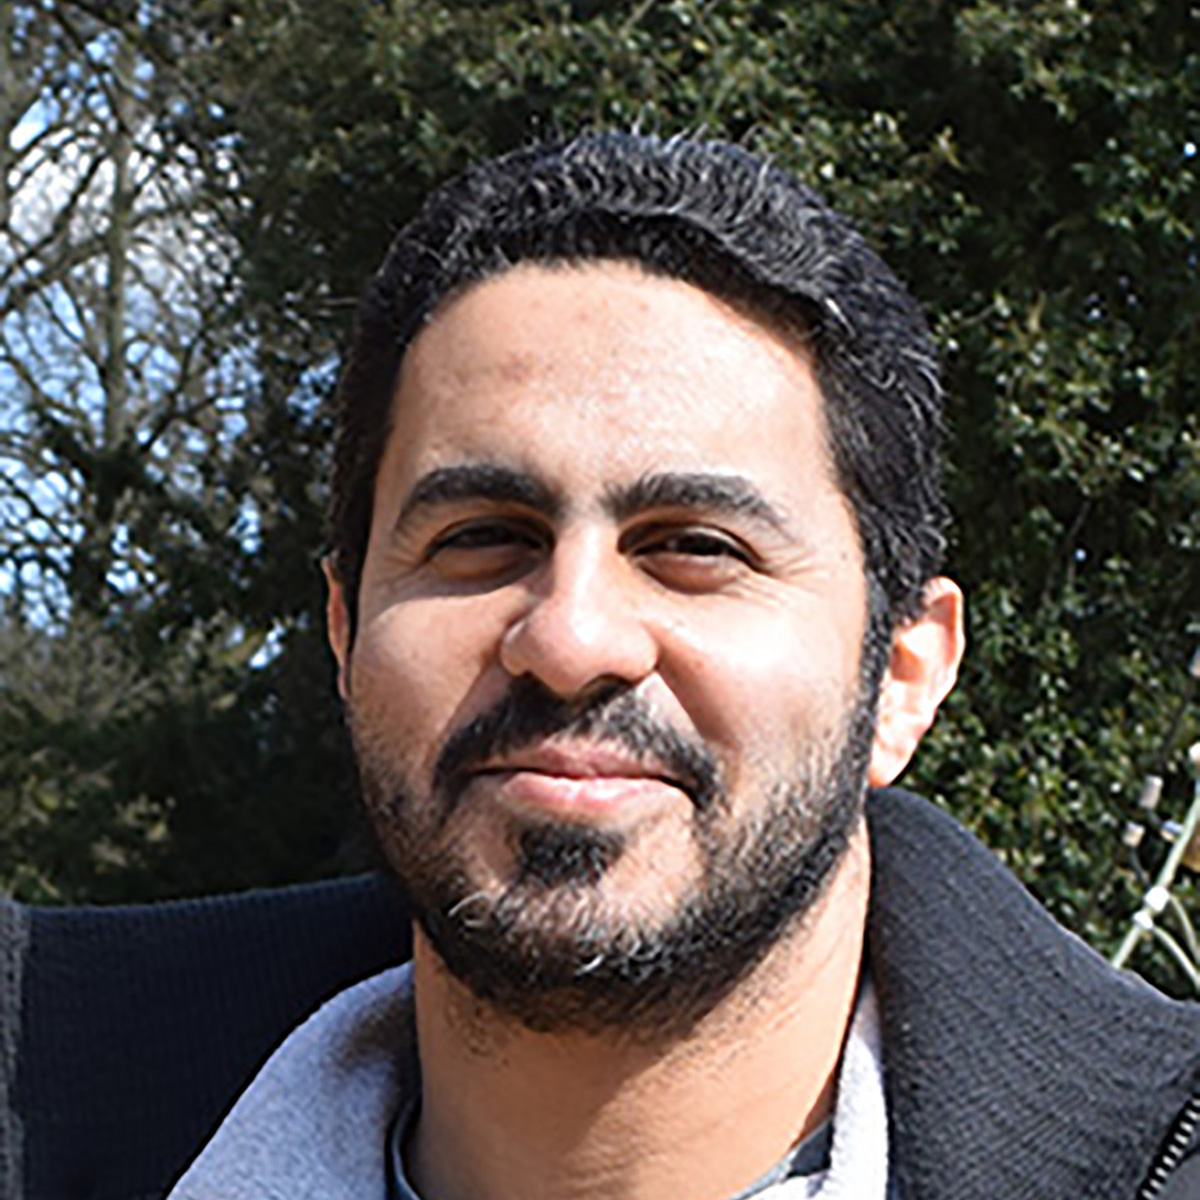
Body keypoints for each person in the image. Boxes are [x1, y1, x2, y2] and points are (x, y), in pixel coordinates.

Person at [167, 131, 1200, 1200]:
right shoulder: (76, 1107)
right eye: (482, 537)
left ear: (903, 675)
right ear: (344, 630)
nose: (570, 641)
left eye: (697, 548)